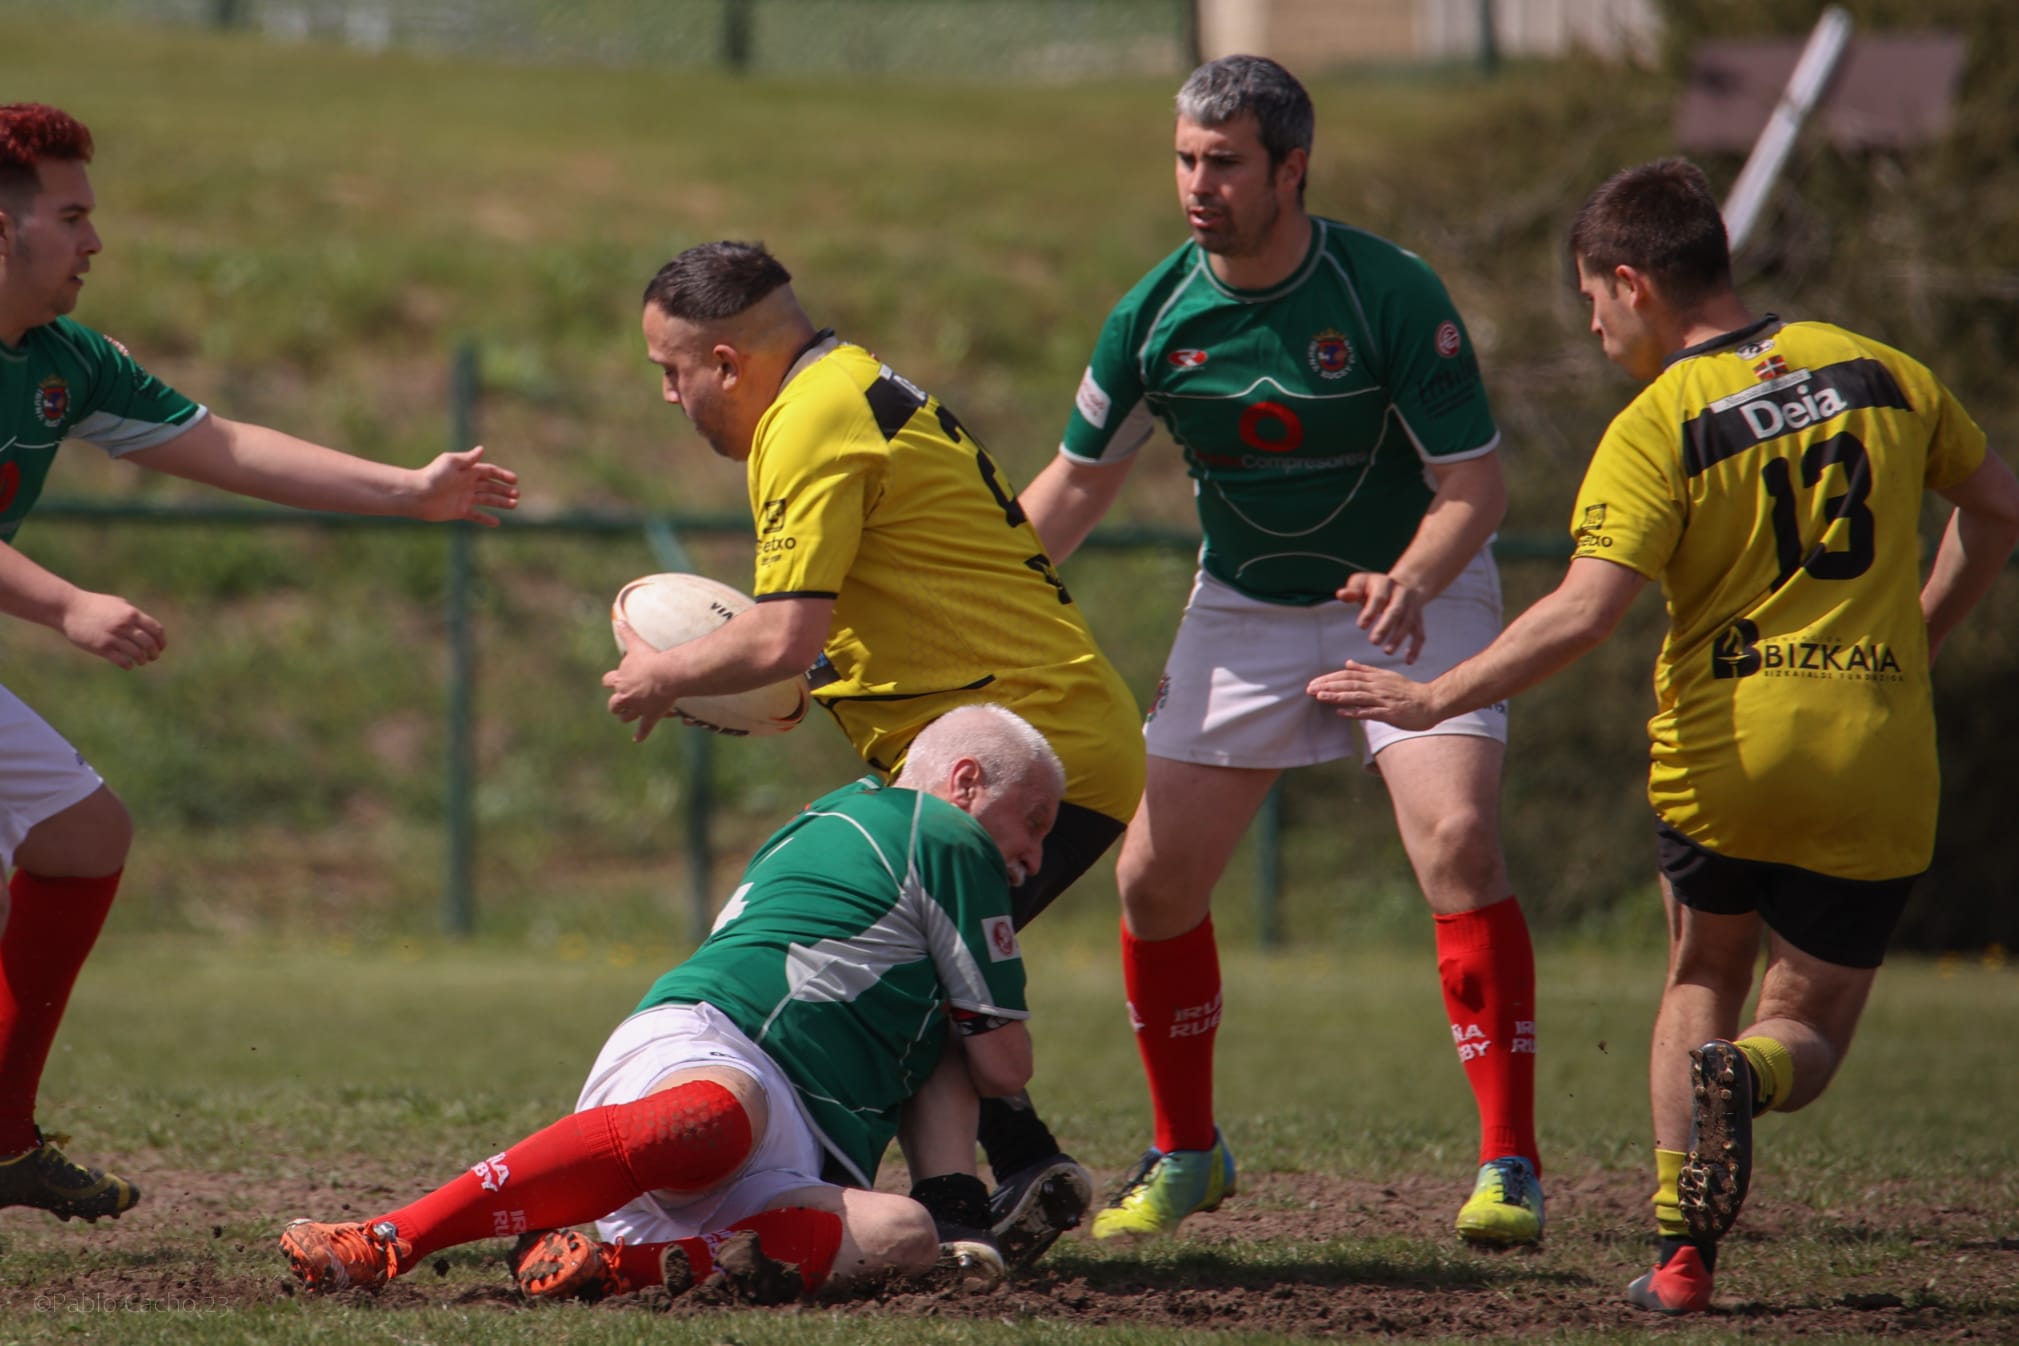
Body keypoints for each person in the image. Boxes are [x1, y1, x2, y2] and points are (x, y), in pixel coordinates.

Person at [1312, 157, 2019, 1312]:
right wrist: (1918, 638)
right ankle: (1755, 1070)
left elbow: (1585, 611)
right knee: (1808, 1023)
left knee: (1702, 969)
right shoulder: (1887, 372)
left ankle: (1684, 1259)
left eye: (1592, 301)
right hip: (1876, 747)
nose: (1593, 329)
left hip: (1725, 752)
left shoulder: (1660, 422)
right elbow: (1999, 509)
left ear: (1634, 282)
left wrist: (1437, 698)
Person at [1015, 55, 1543, 1245]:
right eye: (1187, 160)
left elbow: (1475, 485)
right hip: (1246, 606)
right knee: (1153, 879)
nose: (1199, 184)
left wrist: (1410, 576)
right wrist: (974, 591)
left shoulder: (1389, 292)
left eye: (1227, 162)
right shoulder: (1154, 313)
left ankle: (1509, 1161)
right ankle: (1187, 1150)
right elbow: (1072, 490)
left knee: (1457, 835)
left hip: (1414, 589)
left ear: (1291, 169)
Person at [0, 103, 519, 1222]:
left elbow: (224, 442)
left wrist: (410, 491)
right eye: (74, 215)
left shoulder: (62, 360)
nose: (96, 241)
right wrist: (67, 601)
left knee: (82, 836)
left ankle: (0, 1136)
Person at [600, 241, 1145, 1264]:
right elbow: (842, 622)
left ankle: (963, 1201)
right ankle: (1005, 1169)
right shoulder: (847, 387)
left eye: (672, 373)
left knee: (899, 965)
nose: (670, 397)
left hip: (1028, 752)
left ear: (725, 360)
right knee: (914, 961)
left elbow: (782, 636)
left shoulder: (807, 423)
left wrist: (662, 677)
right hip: (1012, 739)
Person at [280, 704, 1064, 1302]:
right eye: (1031, 825)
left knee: (903, 1238)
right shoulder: (943, 834)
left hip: (794, 1158)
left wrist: (953, 1202)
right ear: (963, 782)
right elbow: (1001, 1061)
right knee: (711, 1125)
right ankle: (386, 1239)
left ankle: (611, 1266)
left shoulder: (830, 816)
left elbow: (958, 1058)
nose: (1033, 859)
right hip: (726, 1049)